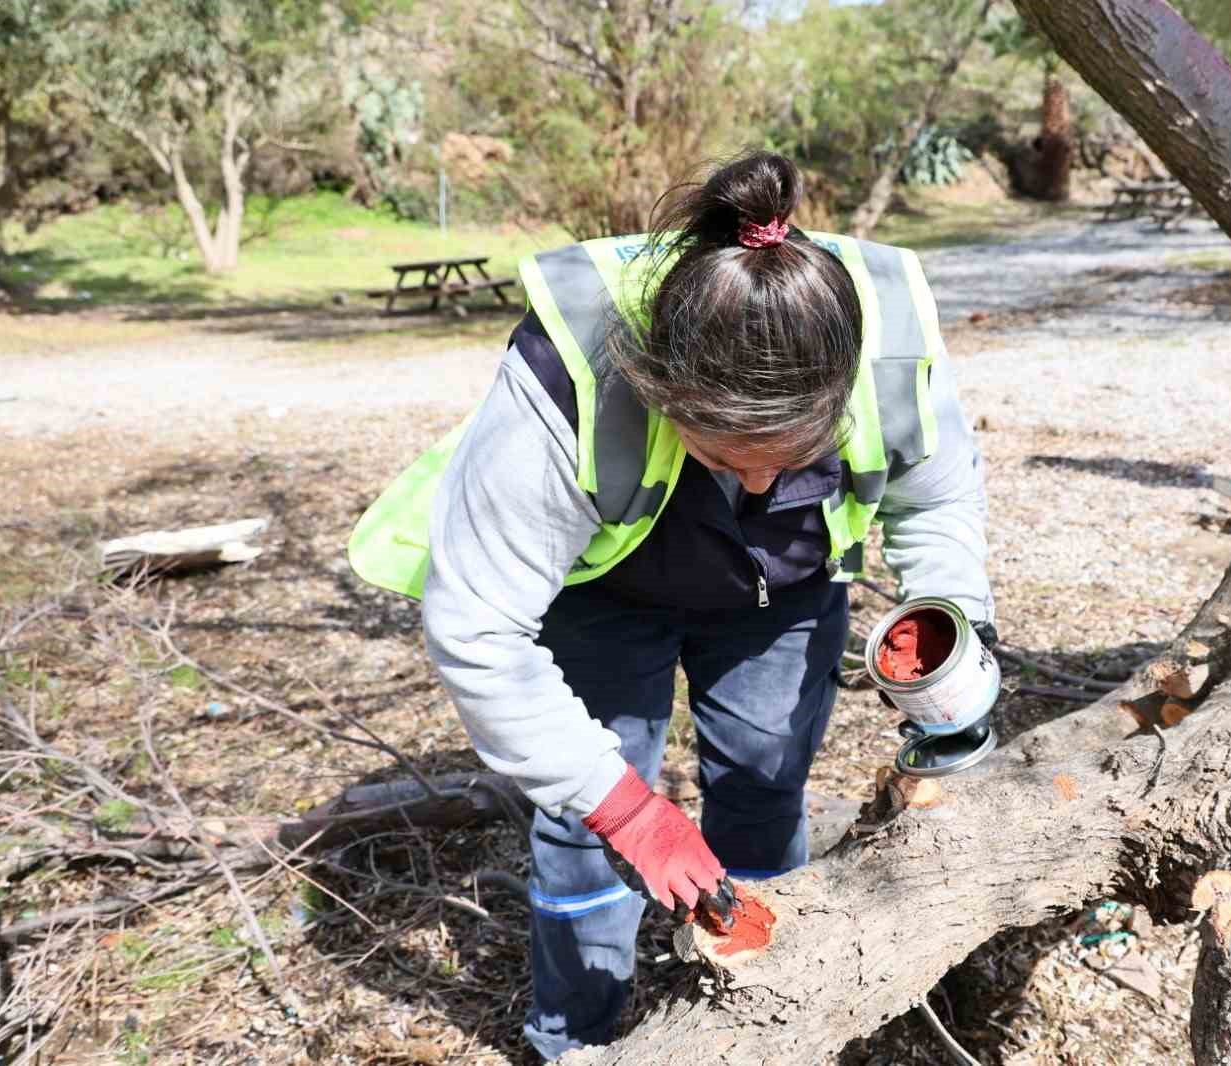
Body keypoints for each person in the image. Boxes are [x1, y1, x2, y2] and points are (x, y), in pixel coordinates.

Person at [346, 151, 992, 1059]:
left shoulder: (885, 343)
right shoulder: (573, 372)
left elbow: (937, 495)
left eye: (795, 452)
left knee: (767, 793)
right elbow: (480, 629)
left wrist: (955, 621)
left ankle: (766, 1022)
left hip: (784, 591)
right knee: (583, 825)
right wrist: (626, 810)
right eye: (729, 457)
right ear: (663, 388)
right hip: (606, 593)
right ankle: (574, 1037)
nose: (764, 480)